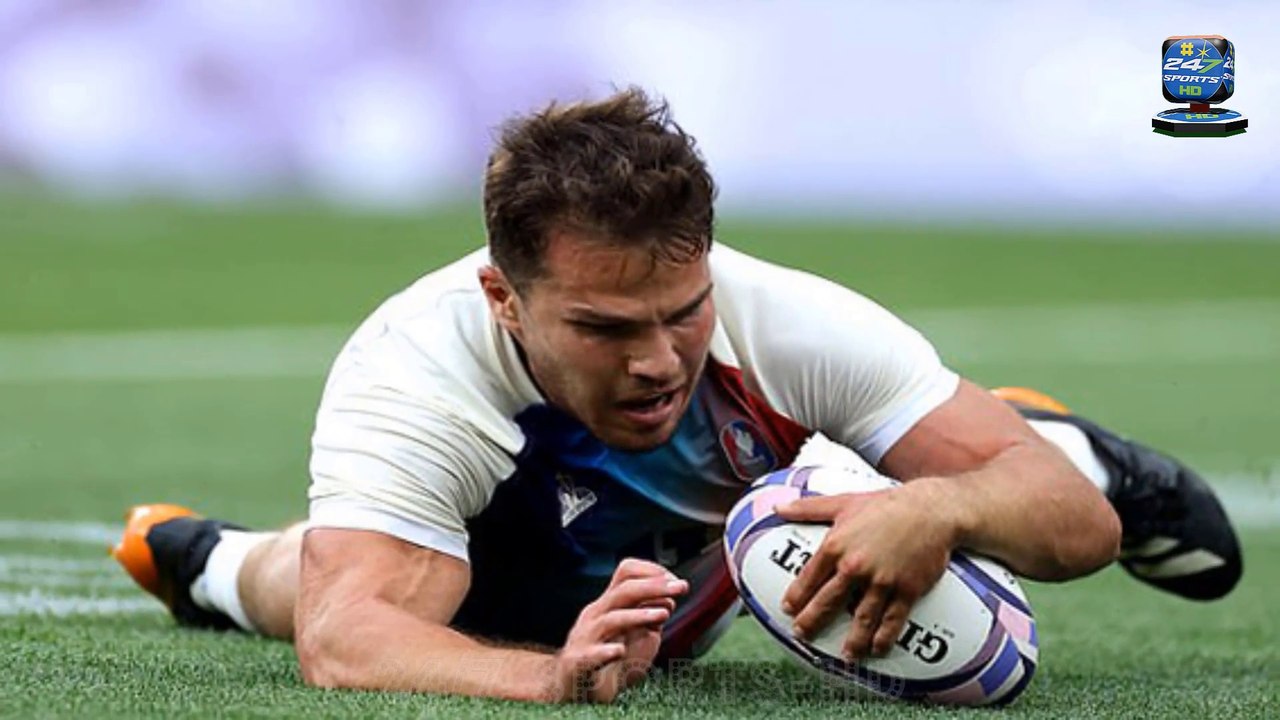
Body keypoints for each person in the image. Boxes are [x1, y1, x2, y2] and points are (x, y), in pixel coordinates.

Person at [111, 88, 1242, 704]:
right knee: (325, 581)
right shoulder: (414, 366)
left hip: (729, 538)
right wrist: (547, 679)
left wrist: (946, 508)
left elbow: (1079, 529)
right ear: (504, 295)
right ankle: (209, 560)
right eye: (606, 327)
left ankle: (979, 440)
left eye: (681, 311)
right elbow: (348, 641)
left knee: (927, 486)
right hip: (545, 556)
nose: (657, 357)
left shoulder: (787, 319)